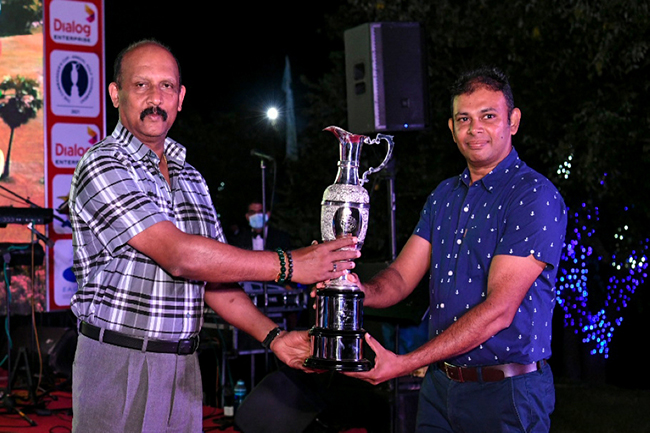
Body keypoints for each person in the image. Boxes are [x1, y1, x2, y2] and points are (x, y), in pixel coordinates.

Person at [68, 39, 359, 433]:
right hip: (119, 360)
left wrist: (272, 336)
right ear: (115, 94)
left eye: (167, 86)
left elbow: (212, 276)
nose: (156, 97)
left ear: (181, 97)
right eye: (141, 85)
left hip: (184, 366)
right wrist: (290, 265)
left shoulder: (192, 178)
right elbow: (179, 256)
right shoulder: (102, 163)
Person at [342, 67, 567, 432]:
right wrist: (356, 292)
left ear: (513, 121)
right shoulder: (444, 195)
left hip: (505, 392)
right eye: (464, 118)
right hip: (439, 388)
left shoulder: (533, 196)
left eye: (488, 116)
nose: (474, 128)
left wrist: (404, 361)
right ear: (451, 128)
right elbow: (400, 277)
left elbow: (498, 311)